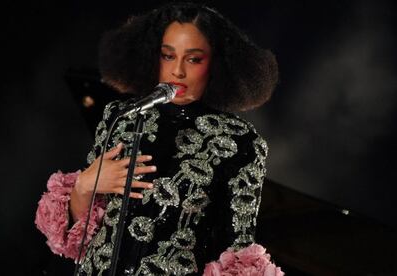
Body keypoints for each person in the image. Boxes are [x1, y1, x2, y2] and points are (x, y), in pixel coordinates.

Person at [35, 2, 278, 275]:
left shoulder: (241, 142)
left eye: (194, 59)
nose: (178, 71)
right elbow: (80, 236)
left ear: (217, 63)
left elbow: (236, 252)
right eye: (168, 56)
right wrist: (84, 186)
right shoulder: (122, 116)